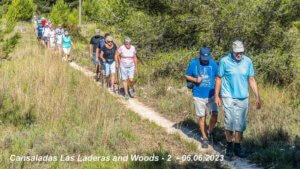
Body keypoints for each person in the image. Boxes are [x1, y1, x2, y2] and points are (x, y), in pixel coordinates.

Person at [215, 40, 261, 160]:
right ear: (232, 51)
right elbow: (219, 79)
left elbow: (251, 79)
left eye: (241, 52)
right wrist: (216, 96)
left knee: (240, 124)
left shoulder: (248, 61)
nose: (239, 55)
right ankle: (229, 146)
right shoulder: (224, 61)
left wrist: (257, 96)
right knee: (229, 121)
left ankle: (237, 145)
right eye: (237, 53)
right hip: (228, 95)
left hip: (243, 96)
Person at [185, 47, 218, 148]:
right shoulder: (193, 63)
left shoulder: (213, 64)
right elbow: (186, 76)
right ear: (200, 55)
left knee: (215, 115)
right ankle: (204, 138)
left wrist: (218, 93)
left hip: (211, 94)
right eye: (203, 58)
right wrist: (195, 79)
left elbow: (218, 78)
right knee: (201, 116)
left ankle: (209, 131)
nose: (205, 60)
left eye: (206, 58)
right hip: (198, 94)